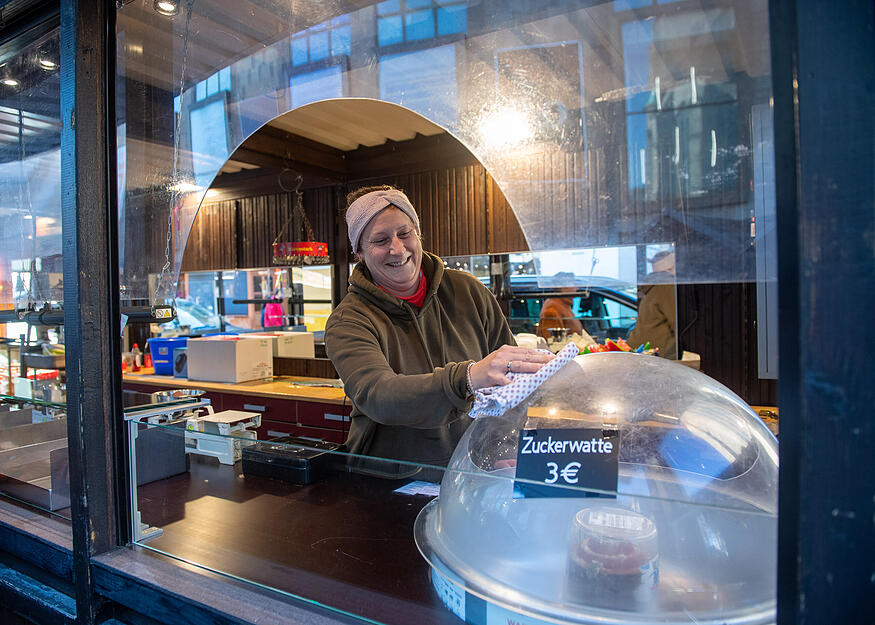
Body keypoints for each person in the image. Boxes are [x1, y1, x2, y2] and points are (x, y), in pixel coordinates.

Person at [325, 185, 552, 477]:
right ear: (359, 251)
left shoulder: (469, 291)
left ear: (418, 234)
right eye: (380, 240)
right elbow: (379, 395)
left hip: (471, 471)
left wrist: (503, 447)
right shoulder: (349, 320)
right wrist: (467, 378)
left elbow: (513, 387)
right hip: (389, 478)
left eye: (404, 233)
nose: (397, 249)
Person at [627, 251, 677, 359]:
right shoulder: (667, 286)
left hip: (641, 353)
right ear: (670, 269)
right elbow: (678, 324)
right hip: (657, 357)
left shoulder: (652, 287)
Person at [536, 272, 584, 340]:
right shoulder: (552, 308)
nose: (577, 288)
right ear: (563, 287)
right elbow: (552, 341)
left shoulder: (563, 305)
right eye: (574, 284)